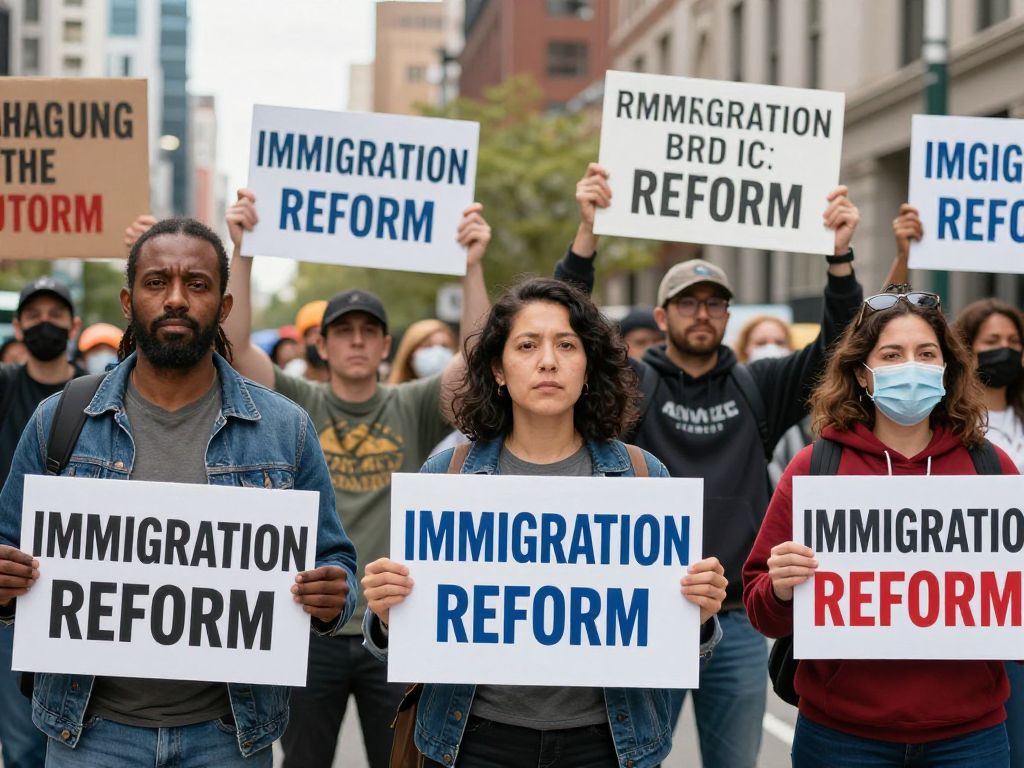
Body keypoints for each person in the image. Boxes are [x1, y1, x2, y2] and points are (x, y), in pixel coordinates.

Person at [0, 217, 358, 767]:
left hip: (228, 736)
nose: (175, 298)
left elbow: (335, 563)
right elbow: (7, 544)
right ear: (127, 299)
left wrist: (332, 597)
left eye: (196, 283)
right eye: (155, 282)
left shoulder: (284, 429)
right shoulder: (61, 420)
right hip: (89, 735)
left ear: (224, 305)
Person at [554, 162, 863, 767]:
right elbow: (568, 324)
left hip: (739, 621)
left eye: (715, 303)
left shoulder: (758, 385)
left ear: (729, 316)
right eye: (687, 302)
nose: (702, 312)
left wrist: (840, 259)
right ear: (662, 317)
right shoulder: (633, 384)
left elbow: (838, 345)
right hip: (646, 610)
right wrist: (586, 237)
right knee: (636, 759)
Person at [361, 276, 727, 768]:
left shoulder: (642, 477)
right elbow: (404, 641)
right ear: (497, 369)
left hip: (607, 744)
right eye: (527, 345)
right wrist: (386, 614)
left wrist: (700, 615)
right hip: (474, 742)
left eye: (567, 345)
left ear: (589, 367)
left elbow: (679, 644)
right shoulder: (447, 476)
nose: (548, 361)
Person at [220, 188, 491, 768]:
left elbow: (476, 357)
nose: (359, 340)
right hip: (310, 626)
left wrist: (471, 265)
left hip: (393, 625)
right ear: (323, 343)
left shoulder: (413, 405)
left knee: (402, 761)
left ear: (387, 343)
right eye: (345, 330)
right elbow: (235, 346)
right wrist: (241, 251)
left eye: (370, 330)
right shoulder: (296, 401)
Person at [743, 285, 1014, 766]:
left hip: (969, 736)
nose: (911, 365)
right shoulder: (815, 467)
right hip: (840, 737)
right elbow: (762, 609)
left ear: (947, 369)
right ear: (864, 375)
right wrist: (781, 588)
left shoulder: (990, 468)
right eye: (891, 354)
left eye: (925, 353)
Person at [888, 205, 1024, 765]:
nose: (1006, 351)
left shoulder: (995, 462)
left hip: (988, 650)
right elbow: (766, 599)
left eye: (1015, 341)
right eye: (993, 340)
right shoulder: (818, 466)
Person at [0, 276, 84, 768]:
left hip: (84, 593)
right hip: (17, 589)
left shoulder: (99, 395)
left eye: (55, 316)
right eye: (34, 316)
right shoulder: (7, 388)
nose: (45, 324)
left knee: (80, 735)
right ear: (17, 327)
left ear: (73, 326)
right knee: (25, 744)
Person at [734, 315, 812, 488]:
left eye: (779, 342)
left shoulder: (808, 405)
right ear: (745, 349)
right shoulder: (735, 402)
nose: (771, 347)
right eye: (761, 343)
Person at [388, 318, 457, 384]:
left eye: (444, 346)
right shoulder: (396, 394)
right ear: (410, 354)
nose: (438, 351)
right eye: (428, 346)